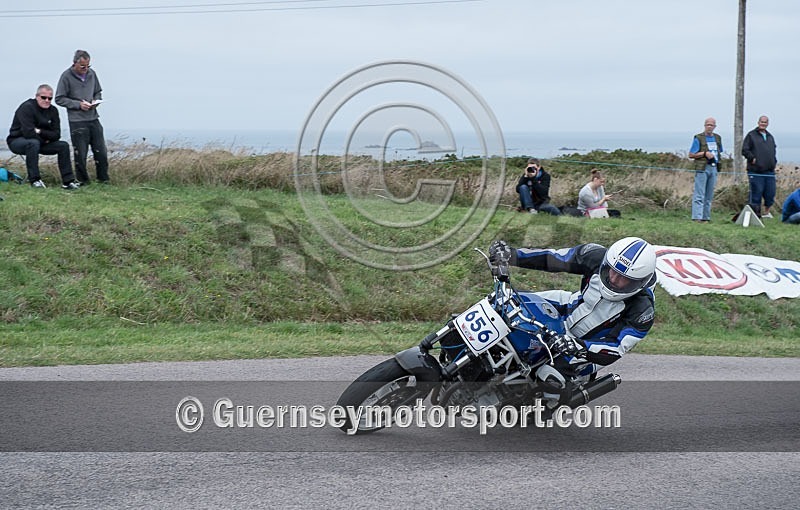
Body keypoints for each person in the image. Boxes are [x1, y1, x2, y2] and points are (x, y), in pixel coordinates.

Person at [489, 237, 656, 406]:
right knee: (503, 303)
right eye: (611, 271)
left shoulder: (643, 310)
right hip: (566, 308)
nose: (613, 280)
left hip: (585, 351)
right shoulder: (594, 256)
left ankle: (536, 409)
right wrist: (512, 255)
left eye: (623, 279)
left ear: (639, 283)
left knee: (550, 379)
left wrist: (579, 347)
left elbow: (617, 347)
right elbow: (552, 258)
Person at [6, 84, 81, 190]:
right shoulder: (26, 107)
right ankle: (35, 180)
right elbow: (28, 133)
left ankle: (68, 182)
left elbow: (56, 135)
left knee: (63, 145)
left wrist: (40, 131)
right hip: (17, 141)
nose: (47, 100)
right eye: (43, 97)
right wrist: (45, 138)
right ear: (37, 96)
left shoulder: (53, 110)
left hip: (41, 143)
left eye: (50, 98)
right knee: (33, 143)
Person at [55, 49, 109, 185]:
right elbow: (59, 98)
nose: (86, 69)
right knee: (81, 153)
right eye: (82, 66)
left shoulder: (92, 74)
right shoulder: (65, 76)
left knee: (101, 151)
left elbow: (98, 91)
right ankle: (83, 181)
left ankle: (103, 180)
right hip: (77, 121)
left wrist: (96, 101)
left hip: (93, 117)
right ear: (74, 64)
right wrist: (78, 105)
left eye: (88, 66)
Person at [742, 116, 778, 218]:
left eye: (765, 122)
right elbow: (745, 150)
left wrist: (774, 162)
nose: (763, 124)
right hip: (756, 171)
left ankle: (766, 213)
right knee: (756, 193)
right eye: (762, 122)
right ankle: (755, 214)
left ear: (768, 123)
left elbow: (773, 151)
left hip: (769, 171)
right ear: (758, 122)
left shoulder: (770, 136)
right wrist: (752, 158)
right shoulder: (751, 135)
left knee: (770, 193)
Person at [688, 117, 722, 223]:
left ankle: (705, 217)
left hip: (714, 167)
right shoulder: (699, 138)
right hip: (702, 168)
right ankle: (697, 217)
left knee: (709, 194)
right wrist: (704, 154)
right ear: (704, 126)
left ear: (715, 126)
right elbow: (691, 154)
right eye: (708, 125)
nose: (709, 127)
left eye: (712, 125)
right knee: (699, 193)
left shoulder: (717, 138)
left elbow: (719, 151)